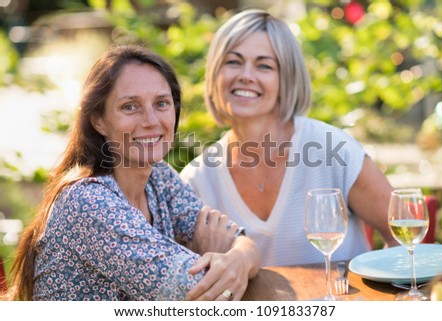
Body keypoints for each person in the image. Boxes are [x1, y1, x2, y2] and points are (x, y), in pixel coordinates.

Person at [3, 45, 259, 301]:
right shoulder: (88, 202)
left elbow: (243, 242)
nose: (150, 120)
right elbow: (199, 292)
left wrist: (237, 258)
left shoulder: (159, 177)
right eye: (130, 107)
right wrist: (216, 258)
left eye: (161, 103)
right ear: (98, 120)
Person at [180, 9, 398, 267]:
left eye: (264, 65)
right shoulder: (198, 180)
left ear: (287, 79)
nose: (246, 75)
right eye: (233, 62)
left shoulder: (333, 150)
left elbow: (403, 240)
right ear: (215, 74)